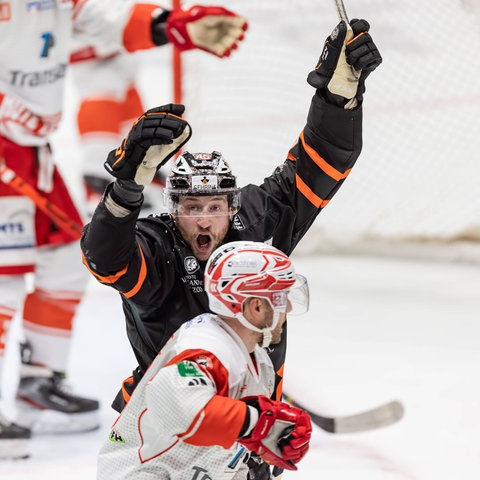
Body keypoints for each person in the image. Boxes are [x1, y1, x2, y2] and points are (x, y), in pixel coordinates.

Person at [81, 17, 381, 479]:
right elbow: (105, 258)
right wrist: (125, 189)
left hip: (248, 435)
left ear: (232, 204)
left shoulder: (255, 222)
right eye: (191, 206)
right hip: (175, 426)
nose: (203, 218)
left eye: (214, 205)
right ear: (172, 207)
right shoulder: (157, 245)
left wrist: (339, 96)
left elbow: (322, 162)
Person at [0, 0, 247, 460]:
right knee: (4, 280)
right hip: (5, 143)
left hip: (31, 152)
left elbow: (105, 25)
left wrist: (175, 26)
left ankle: (40, 383)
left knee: (63, 265)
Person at [97, 240, 312, 480]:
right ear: (257, 306)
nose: (289, 306)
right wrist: (257, 422)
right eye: (281, 298)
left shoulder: (257, 361)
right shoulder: (206, 345)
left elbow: (218, 444)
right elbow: (181, 408)